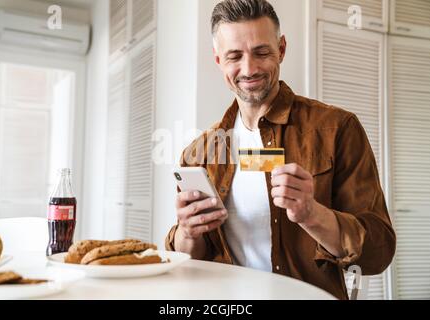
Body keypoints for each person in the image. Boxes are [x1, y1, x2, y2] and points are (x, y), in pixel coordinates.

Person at [165, 0, 396, 300]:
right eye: (234, 56)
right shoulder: (199, 153)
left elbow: (379, 251)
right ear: (218, 60)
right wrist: (187, 233)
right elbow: (188, 259)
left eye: (261, 52)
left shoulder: (338, 128)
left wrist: (312, 214)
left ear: (282, 49)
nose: (249, 69)